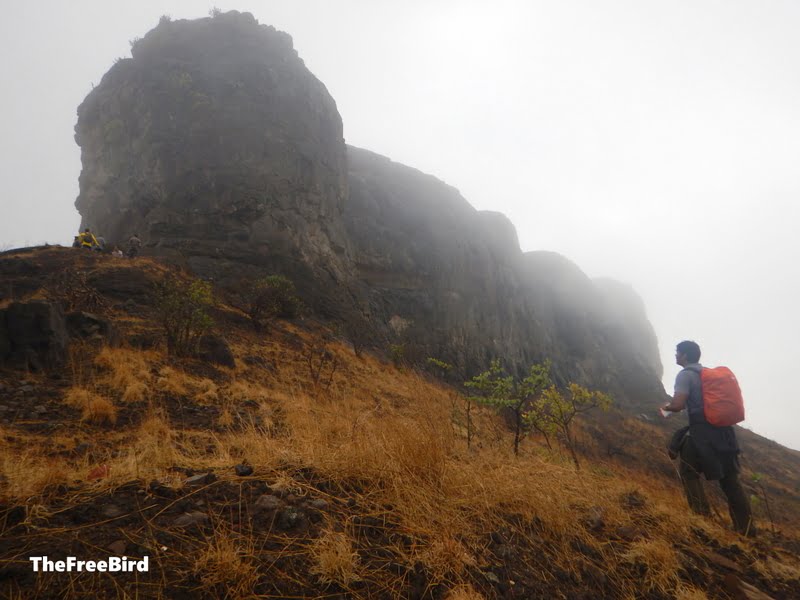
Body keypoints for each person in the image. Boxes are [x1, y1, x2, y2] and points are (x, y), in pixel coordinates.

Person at [662, 340, 755, 536]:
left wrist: (665, 408)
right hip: (724, 433)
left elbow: (678, 404)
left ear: (685, 355)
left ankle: (702, 521)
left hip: (701, 433)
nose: (675, 356)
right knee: (730, 481)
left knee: (689, 473)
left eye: (677, 352)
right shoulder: (707, 375)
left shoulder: (685, 375)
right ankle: (746, 530)